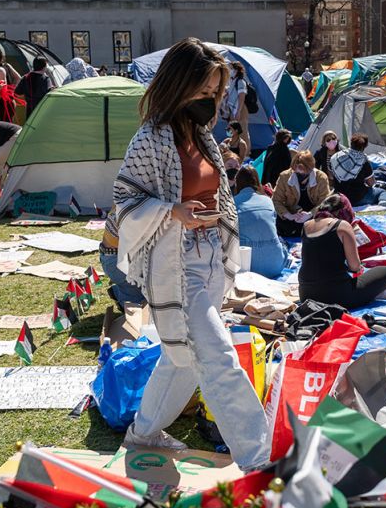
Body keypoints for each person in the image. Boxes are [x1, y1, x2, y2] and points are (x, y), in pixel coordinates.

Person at [114, 38, 269, 469]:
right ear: (179, 86)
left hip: (205, 254)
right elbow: (124, 200)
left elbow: (214, 191)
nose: (210, 102)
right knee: (218, 357)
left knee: (180, 356)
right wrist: (173, 212)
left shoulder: (203, 137)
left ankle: (143, 434)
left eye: (215, 94)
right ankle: (259, 459)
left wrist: (211, 218)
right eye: (203, 92)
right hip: (173, 263)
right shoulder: (151, 139)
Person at [298, 193, 386, 310]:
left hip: (306, 294)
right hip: (337, 295)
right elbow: (354, 266)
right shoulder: (342, 225)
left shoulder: (306, 225)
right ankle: (374, 295)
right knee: (385, 271)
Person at [233, 166, 290, 278]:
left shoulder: (233, 203)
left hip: (248, 267)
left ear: (237, 182)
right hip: (275, 265)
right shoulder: (267, 201)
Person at [271, 149, 330, 237]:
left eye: (303, 173)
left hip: (312, 214)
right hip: (292, 213)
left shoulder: (321, 178)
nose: (300, 176)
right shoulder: (284, 177)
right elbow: (276, 200)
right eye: (297, 172)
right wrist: (288, 215)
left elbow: (324, 202)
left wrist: (310, 214)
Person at [98, 207, 145, 308]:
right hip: (117, 262)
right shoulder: (133, 211)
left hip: (110, 258)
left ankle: (119, 291)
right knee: (139, 306)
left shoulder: (122, 202)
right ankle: (123, 297)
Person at [329, 134, 384, 206]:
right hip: (358, 198)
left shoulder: (336, 157)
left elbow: (331, 177)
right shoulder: (363, 161)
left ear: (351, 143)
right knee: (382, 192)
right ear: (364, 147)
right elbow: (371, 183)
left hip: (339, 198)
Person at [220, 61, 250, 145]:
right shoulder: (231, 82)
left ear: (237, 70)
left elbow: (242, 96)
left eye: (231, 68)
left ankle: (246, 153)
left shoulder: (240, 81)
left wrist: (238, 111)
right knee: (233, 131)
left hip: (240, 108)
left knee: (243, 131)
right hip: (232, 110)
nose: (230, 70)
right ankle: (235, 149)